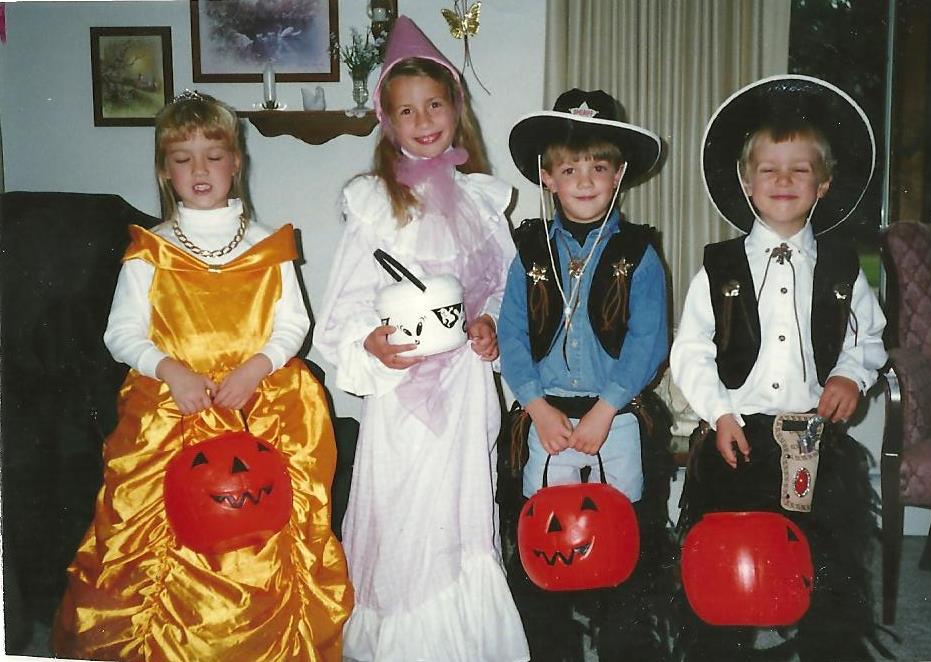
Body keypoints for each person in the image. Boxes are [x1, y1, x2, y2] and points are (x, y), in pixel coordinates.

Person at [50, 91, 352, 661]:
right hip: (173, 407)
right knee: (150, 535)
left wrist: (255, 369)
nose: (199, 170)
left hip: (260, 401)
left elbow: (293, 324)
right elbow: (122, 334)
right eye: (183, 158)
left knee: (269, 530)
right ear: (165, 170)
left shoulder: (270, 246)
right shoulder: (151, 250)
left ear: (236, 162)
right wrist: (173, 373)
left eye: (213, 156)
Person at [312, 16, 528, 662]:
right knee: (405, 521)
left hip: (462, 393)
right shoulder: (377, 204)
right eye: (406, 110)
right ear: (387, 122)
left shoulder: (480, 202)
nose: (423, 119)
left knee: (461, 514)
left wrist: (487, 326)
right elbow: (340, 314)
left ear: (456, 110)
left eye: (434, 104)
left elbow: (499, 289)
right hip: (402, 395)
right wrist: (371, 347)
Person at [670, 75, 888, 662]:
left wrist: (851, 375)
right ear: (746, 182)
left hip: (816, 439)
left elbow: (868, 337)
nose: (784, 180)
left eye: (799, 169)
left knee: (828, 556)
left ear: (824, 183)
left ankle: (831, 649)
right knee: (729, 556)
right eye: (769, 169)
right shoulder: (719, 268)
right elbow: (690, 350)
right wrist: (717, 414)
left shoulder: (845, 267)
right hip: (738, 437)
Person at [497, 88, 676, 662]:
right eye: (569, 168)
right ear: (547, 176)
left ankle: (625, 638)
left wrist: (606, 409)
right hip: (544, 412)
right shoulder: (528, 250)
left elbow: (650, 339)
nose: (584, 180)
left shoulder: (638, 250)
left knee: (621, 527)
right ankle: (553, 645)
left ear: (619, 173)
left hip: (614, 413)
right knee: (544, 530)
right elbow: (512, 334)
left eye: (598, 167)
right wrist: (536, 407)